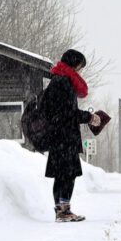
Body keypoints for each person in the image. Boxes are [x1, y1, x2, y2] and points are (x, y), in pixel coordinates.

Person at [42, 49, 101, 222]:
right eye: (80, 67)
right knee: (67, 174)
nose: (80, 71)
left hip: (57, 137)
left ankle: (61, 211)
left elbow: (58, 112)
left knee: (62, 175)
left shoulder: (56, 81)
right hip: (65, 137)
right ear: (74, 64)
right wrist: (90, 117)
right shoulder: (64, 83)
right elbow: (68, 113)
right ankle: (64, 211)